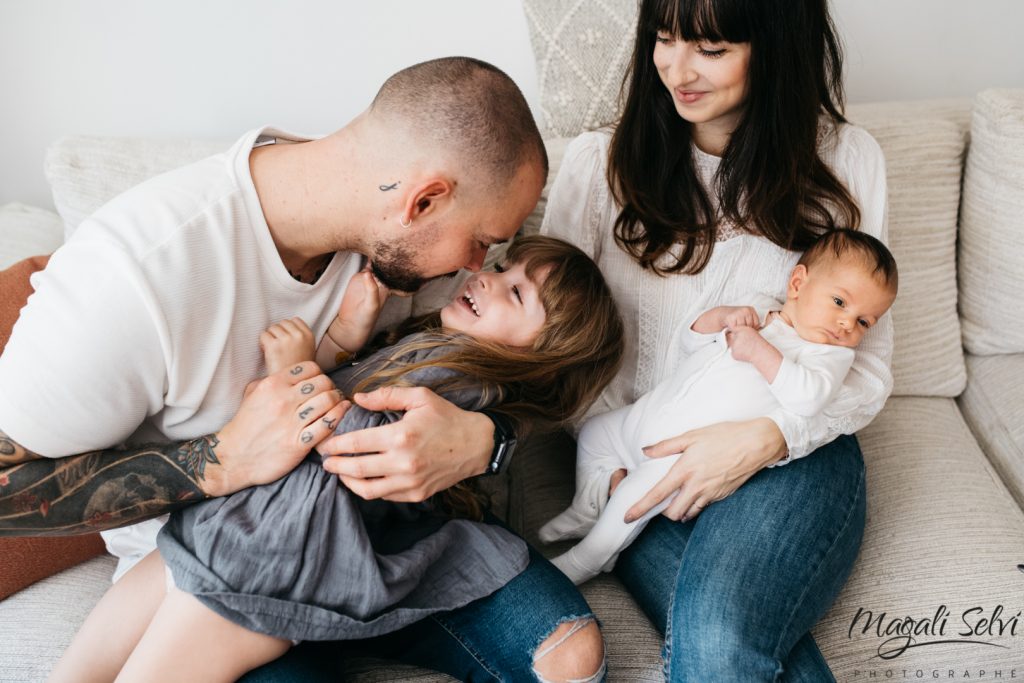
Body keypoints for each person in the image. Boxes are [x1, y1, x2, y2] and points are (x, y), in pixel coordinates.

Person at [0, 58, 608, 682]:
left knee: (567, 648)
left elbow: (524, 371)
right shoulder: (132, 279)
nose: (477, 267)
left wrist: (485, 442)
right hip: (240, 558)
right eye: (482, 241)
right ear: (423, 201)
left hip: (387, 543)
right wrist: (219, 458)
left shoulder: (414, 262)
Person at [48, 235, 625, 683]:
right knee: (77, 670)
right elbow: (349, 391)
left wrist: (295, 372)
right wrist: (346, 337)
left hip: (272, 565)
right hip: (225, 530)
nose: (490, 281)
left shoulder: (469, 383)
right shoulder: (435, 342)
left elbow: (354, 444)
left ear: (543, 356)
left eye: (518, 294)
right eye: (503, 268)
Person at [540, 0, 892, 678]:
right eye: (664, 38)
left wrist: (765, 438)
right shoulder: (595, 169)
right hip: (649, 460)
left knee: (723, 633)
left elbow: (868, 367)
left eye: (710, 47)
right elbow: (551, 347)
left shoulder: (847, 161)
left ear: (775, 47)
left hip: (796, 452)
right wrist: (605, 456)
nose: (676, 69)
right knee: (722, 645)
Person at [541, 230, 897, 584]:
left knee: (635, 497)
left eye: (864, 322)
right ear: (798, 284)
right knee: (594, 432)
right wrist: (722, 317)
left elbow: (809, 398)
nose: (847, 324)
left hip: (686, 452)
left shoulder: (827, 356)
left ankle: (588, 559)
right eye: (839, 302)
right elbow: (690, 340)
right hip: (645, 415)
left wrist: (760, 351)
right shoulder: (755, 307)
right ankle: (586, 506)